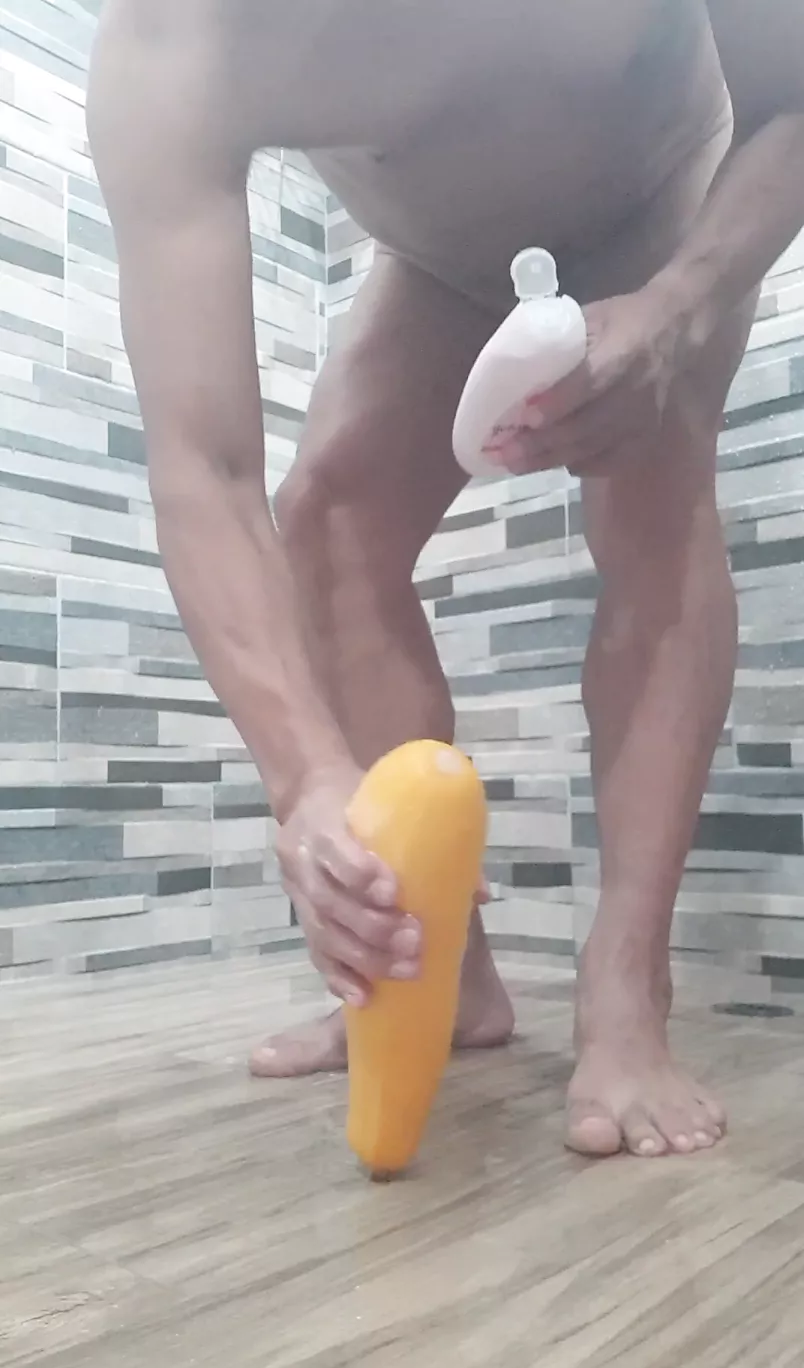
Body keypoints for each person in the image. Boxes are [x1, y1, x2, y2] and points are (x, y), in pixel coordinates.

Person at [87, 0, 804, 1159]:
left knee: (657, 499)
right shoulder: (171, 45)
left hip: (662, 197)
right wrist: (308, 781)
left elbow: (793, 101)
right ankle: (439, 978)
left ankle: (628, 989)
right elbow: (204, 469)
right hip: (441, 263)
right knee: (329, 509)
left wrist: (678, 310)